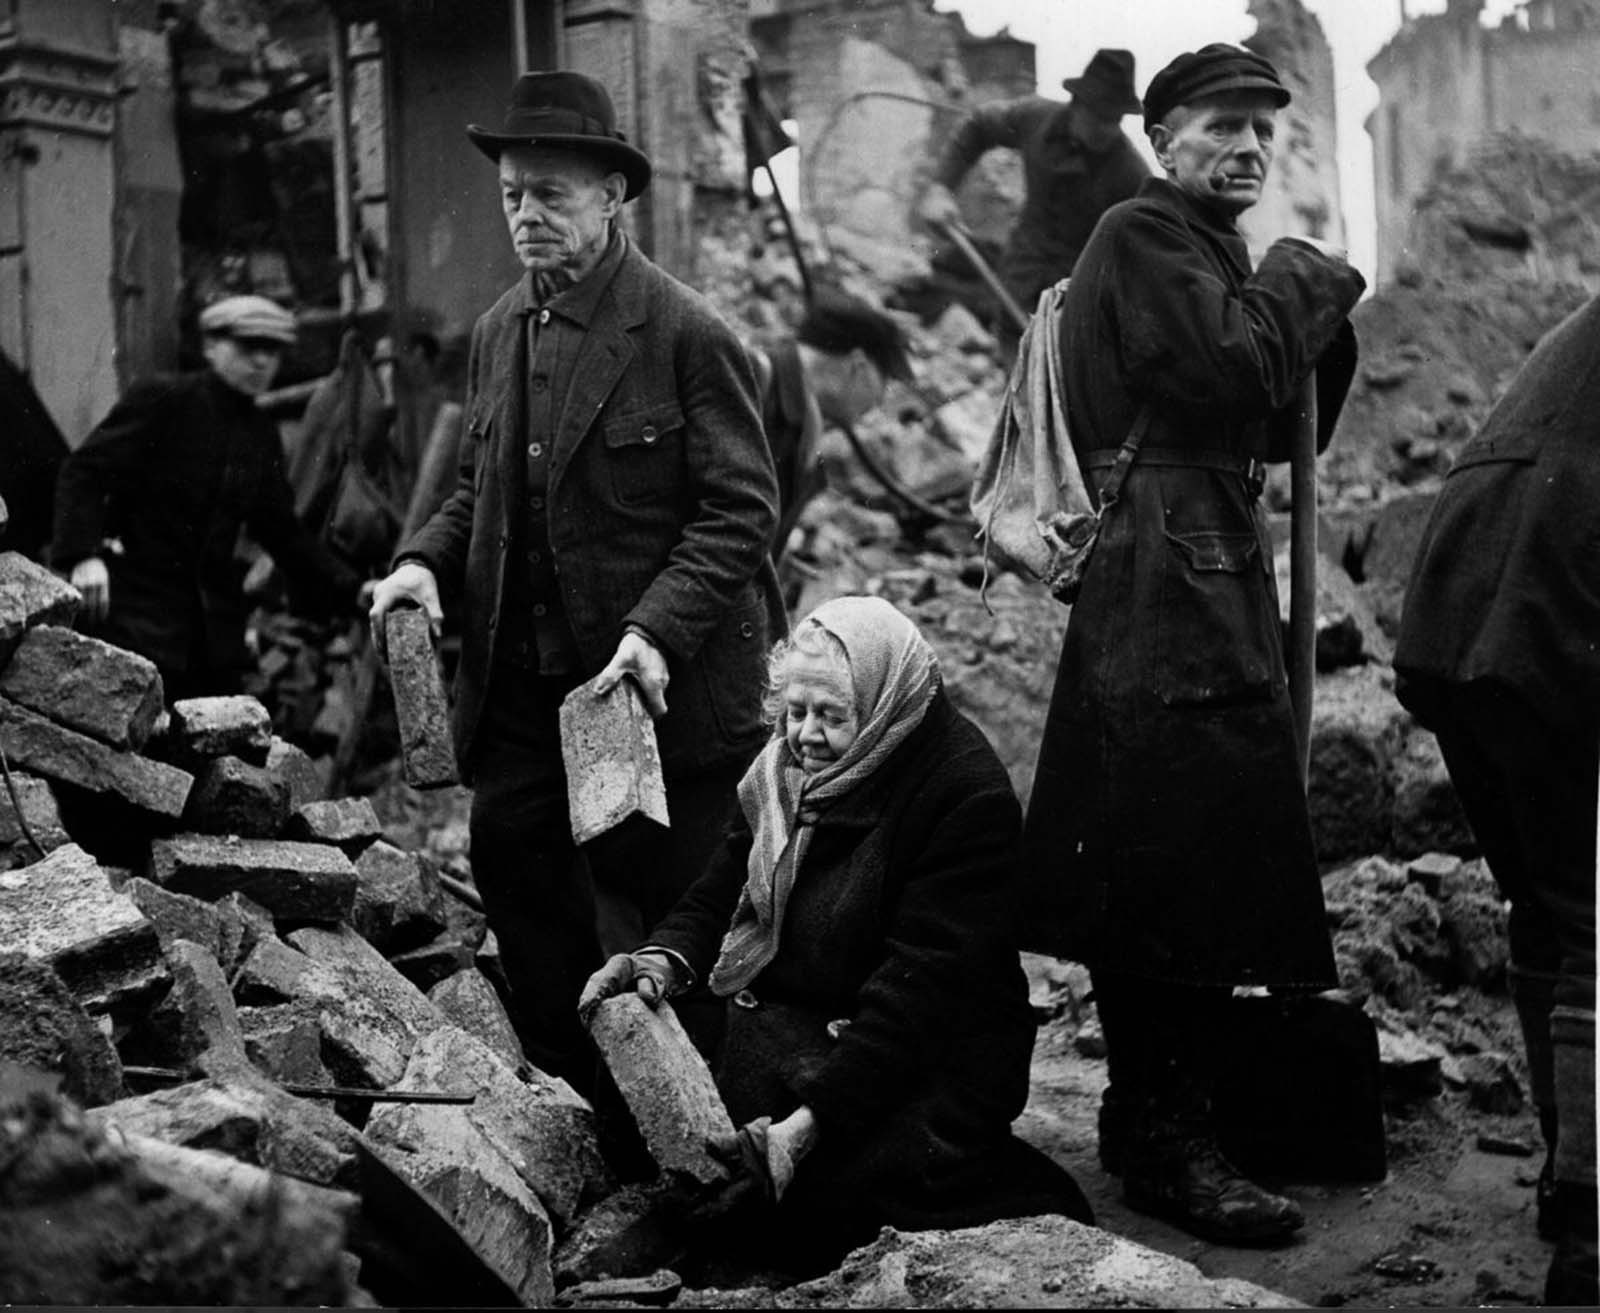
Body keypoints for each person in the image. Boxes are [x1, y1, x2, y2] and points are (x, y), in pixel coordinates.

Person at [367, 71, 784, 1092]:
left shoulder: (686, 332)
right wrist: (420, 561)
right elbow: (478, 492)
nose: (525, 214)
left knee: (677, 915)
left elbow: (741, 511)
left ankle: (706, 1136)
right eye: (512, 193)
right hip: (527, 693)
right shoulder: (498, 330)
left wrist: (653, 633)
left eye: (550, 193)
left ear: (611, 194)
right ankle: (577, 1105)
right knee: (519, 870)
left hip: (656, 695)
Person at [1020, 44, 1365, 1245]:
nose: (1248, 149)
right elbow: (1234, 361)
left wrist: (1296, 316)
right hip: (1161, 580)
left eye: (1262, 133)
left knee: (1197, 854)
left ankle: (1163, 1114)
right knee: (1168, 858)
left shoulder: (1204, 252)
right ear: (1163, 138)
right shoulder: (1141, 233)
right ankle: (1163, 1134)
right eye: (1222, 127)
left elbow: (1275, 413)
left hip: (1201, 563)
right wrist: (1305, 278)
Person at [579, 596, 1092, 1271]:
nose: (805, 736)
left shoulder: (964, 794)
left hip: (921, 1054)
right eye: (795, 711)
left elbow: (917, 1000)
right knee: (654, 1138)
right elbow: (721, 885)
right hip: (806, 1021)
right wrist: (660, 959)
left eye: (830, 716)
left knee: (820, 1204)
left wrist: (806, 1127)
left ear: (882, 706)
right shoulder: (786, 768)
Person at [1393, 294, 1599, 1307]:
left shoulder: (1574, 332)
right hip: (1545, 610)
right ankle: (1593, 1229)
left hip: (1454, 625)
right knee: (1596, 926)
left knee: (1549, 909)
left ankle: (1569, 1186)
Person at [52, 295, 362, 701]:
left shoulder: (259, 434)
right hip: (136, 618)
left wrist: (353, 588)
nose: (260, 362)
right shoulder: (164, 399)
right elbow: (85, 470)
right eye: (247, 347)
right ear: (211, 346)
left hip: (209, 639)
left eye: (271, 351)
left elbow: (284, 533)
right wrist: (82, 554)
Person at [918, 48, 1149, 347]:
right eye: (1098, 117)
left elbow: (1144, 253)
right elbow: (978, 126)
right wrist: (941, 189)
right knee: (1016, 373)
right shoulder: (1036, 118)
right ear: (1077, 105)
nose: (1107, 129)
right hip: (1019, 278)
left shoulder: (1131, 174)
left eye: (1114, 119)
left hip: (1077, 304)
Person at [752, 285, 913, 563]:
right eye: (884, 381)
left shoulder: (804, 419)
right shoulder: (752, 379)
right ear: (858, 364)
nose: (879, 400)